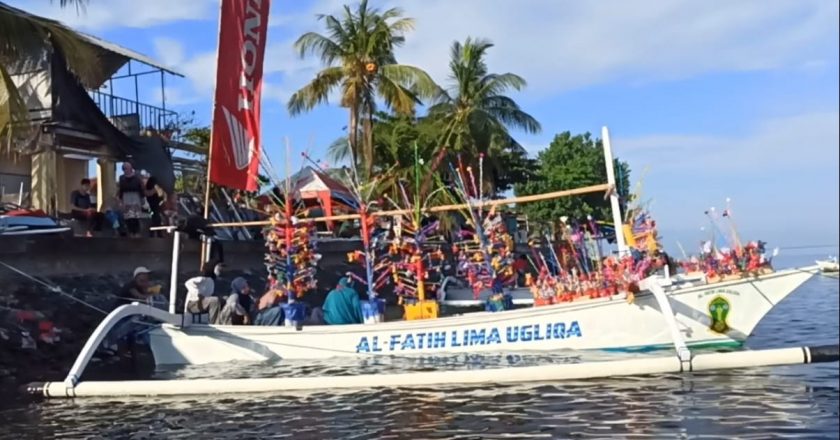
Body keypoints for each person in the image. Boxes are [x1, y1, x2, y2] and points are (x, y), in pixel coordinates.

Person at [117, 162, 144, 238]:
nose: (127, 169)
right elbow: (121, 189)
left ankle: (137, 233)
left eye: (129, 167)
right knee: (128, 217)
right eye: (125, 168)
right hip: (126, 197)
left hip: (135, 196)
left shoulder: (137, 177)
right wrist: (120, 201)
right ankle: (131, 233)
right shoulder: (121, 178)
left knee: (136, 217)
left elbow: (140, 188)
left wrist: (142, 198)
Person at [144, 173, 167, 238]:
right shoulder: (151, 187)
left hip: (156, 206)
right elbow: (147, 194)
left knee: (157, 218)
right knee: (155, 218)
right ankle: (155, 233)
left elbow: (161, 196)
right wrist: (155, 190)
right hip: (151, 206)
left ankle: (157, 233)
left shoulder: (158, 187)